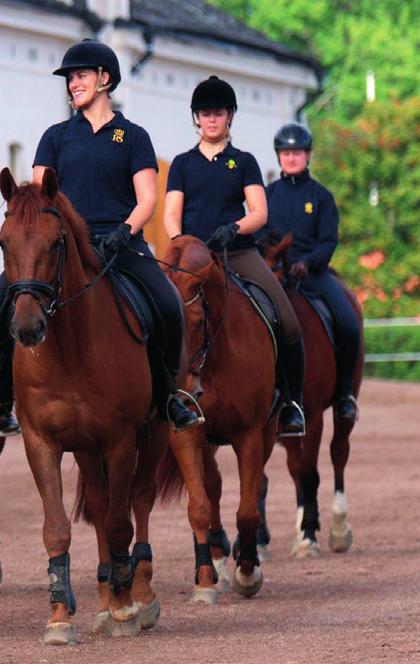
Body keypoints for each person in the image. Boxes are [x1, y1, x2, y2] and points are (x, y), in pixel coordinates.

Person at [0, 39, 201, 434]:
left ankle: (169, 397)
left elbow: (147, 199)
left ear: (105, 80)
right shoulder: (55, 137)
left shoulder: (133, 136)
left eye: (81, 76)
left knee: (167, 303)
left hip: (118, 243)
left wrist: (124, 232)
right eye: (70, 78)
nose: (73, 84)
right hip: (62, 246)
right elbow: (39, 197)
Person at [163, 75, 306, 437]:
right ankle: (162, 400)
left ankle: (291, 404)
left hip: (237, 252)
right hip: (192, 255)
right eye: (206, 113)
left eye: (219, 113)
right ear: (196, 117)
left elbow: (260, 211)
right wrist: (182, 243)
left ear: (230, 117)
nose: (212, 119)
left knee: (288, 321)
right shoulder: (182, 163)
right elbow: (170, 214)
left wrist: (236, 228)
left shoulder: (243, 161)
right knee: (160, 316)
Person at [265, 123, 360, 422]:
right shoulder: (267, 196)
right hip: (275, 275)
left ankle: (345, 393)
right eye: (286, 153)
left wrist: (308, 262)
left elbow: (329, 240)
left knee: (347, 321)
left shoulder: (321, 197)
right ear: (279, 156)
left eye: (297, 153)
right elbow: (260, 237)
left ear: (307, 156)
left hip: (314, 274)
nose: (291, 158)